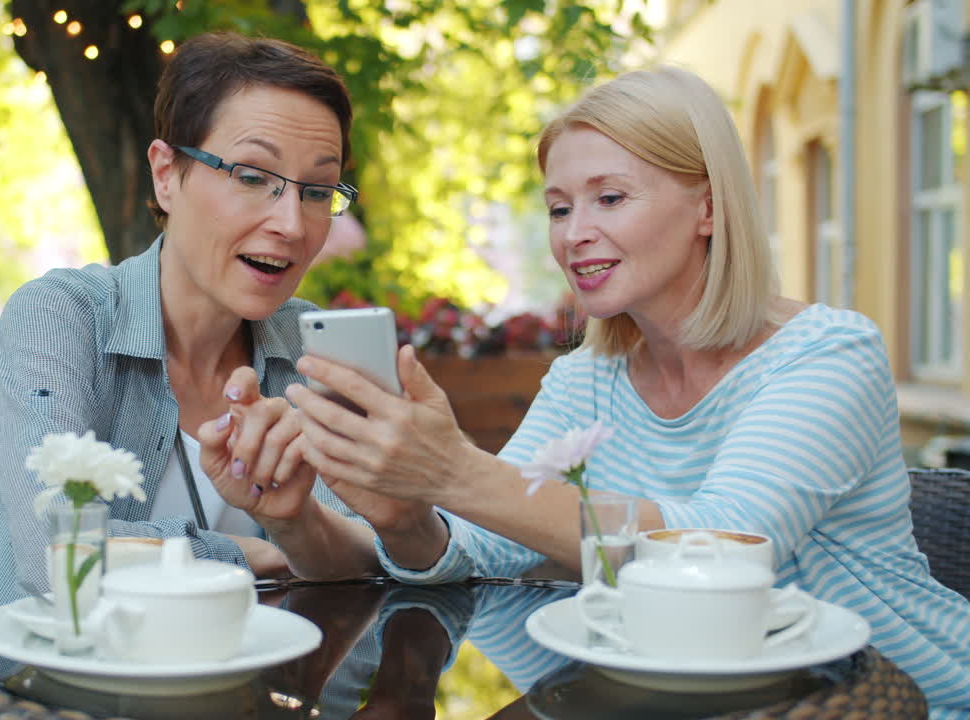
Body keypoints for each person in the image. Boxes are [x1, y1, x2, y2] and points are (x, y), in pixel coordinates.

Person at [288, 66, 970, 715]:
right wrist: (408, 516)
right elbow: (484, 545)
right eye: (559, 208)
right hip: (682, 701)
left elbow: (723, 542)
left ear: (708, 207)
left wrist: (453, 471)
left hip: (906, 698)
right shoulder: (588, 377)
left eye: (609, 198)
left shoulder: (829, 355)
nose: (575, 234)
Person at [0, 32, 385, 720]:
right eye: (252, 176)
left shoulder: (311, 349)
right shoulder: (59, 318)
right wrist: (249, 552)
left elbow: (370, 555)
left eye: (317, 190)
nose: (291, 222)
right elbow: (59, 554)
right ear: (166, 174)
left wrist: (297, 525)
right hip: (3, 702)